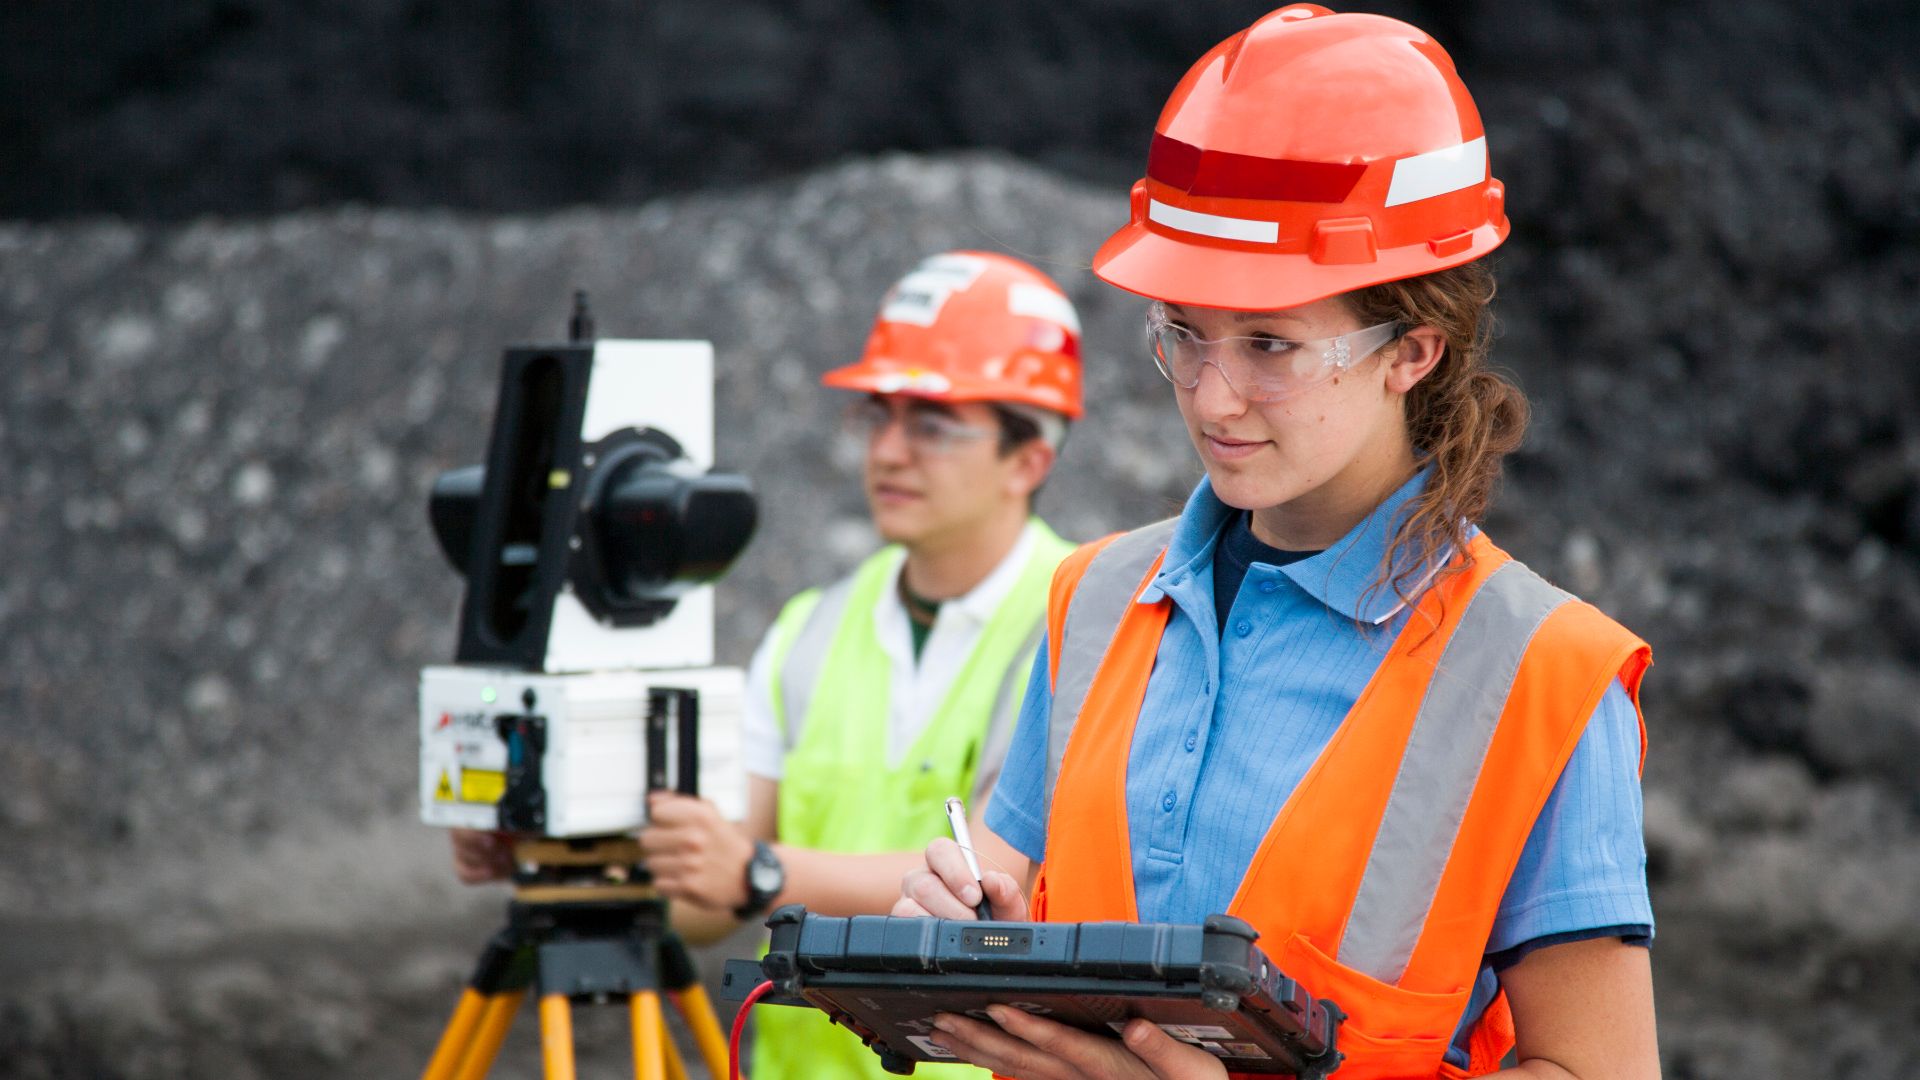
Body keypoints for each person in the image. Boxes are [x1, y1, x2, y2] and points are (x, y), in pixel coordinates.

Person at [893, 8, 1661, 1080]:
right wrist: (972, 919)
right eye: (1185, 335)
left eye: (1270, 346)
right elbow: (1015, 879)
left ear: (1414, 350)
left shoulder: (1541, 679)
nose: (1213, 398)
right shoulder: (1097, 600)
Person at [450, 251, 1084, 1080]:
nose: (889, 452)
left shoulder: (1078, 622)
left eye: (931, 423)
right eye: (878, 414)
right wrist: (567, 851)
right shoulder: (810, 631)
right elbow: (708, 898)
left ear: (1028, 458)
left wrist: (762, 873)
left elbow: (1001, 880)